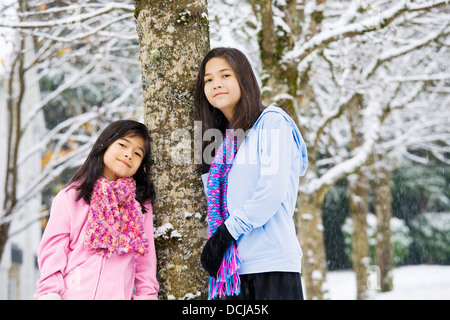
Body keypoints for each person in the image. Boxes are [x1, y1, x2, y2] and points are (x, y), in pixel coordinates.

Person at [195, 47, 308, 300]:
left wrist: (225, 234)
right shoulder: (220, 141)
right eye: (208, 79)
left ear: (243, 79)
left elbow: (271, 192)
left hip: (272, 266)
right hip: (230, 274)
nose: (216, 84)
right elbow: (218, 202)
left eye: (225, 75)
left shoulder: (271, 122)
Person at [34, 120, 159, 300]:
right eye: (123, 144)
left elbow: (145, 266)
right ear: (105, 145)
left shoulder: (140, 205)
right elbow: (53, 254)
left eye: (138, 153)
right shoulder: (71, 197)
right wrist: (49, 293)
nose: (129, 154)